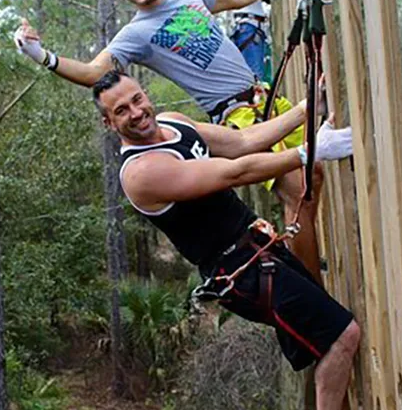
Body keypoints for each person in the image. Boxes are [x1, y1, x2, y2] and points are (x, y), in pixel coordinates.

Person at [14, 0, 326, 279]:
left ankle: (303, 262)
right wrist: (43, 56)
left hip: (265, 97)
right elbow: (94, 73)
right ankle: (313, 290)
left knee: (314, 178)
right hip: (237, 115)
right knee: (298, 190)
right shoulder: (136, 34)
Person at [92, 70, 360, 410]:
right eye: (121, 111)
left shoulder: (174, 123)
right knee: (342, 335)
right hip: (240, 274)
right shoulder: (142, 172)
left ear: (145, 94)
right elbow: (235, 171)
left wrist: (306, 108)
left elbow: (243, 142)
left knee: (326, 339)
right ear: (108, 123)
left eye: (136, 99)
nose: (135, 112)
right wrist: (307, 154)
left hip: (258, 248)